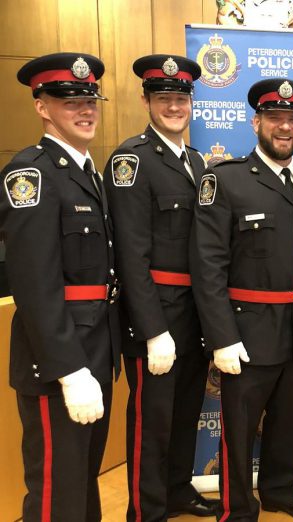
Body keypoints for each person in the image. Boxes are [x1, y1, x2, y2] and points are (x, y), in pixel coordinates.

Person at [190, 78, 293, 522]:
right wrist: (221, 337)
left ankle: (281, 490)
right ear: (256, 121)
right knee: (239, 431)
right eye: (275, 118)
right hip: (247, 330)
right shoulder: (225, 180)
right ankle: (238, 508)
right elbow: (207, 268)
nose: (285, 127)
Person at [0, 52, 119, 520]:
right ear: (42, 107)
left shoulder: (87, 172)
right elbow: (34, 284)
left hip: (95, 350)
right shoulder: (31, 174)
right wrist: (69, 370)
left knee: (81, 483)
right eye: (69, 101)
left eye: (90, 99)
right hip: (57, 364)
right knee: (55, 491)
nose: (85, 110)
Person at [103, 54, 219, 519]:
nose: (174, 106)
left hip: (194, 311)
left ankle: (176, 490)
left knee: (186, 411)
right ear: (147, 100)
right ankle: (146, 509)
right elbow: (130, 256)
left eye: (181, 98)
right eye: (164, 98)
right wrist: (153, 330)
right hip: (157, 315)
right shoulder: (131, 161)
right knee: (152, 422)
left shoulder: (194, 160)